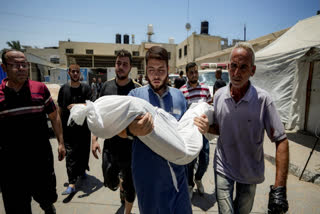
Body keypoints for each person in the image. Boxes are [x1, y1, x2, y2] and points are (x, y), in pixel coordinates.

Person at [205, 42, 289, 214]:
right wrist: (204, 125)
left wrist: (280, 187)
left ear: (253, 70)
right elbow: (221, 128)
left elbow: (281, 140)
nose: (236, 73)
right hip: (223, 167)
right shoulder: (219, 95)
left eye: (243, 67)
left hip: (250, 172)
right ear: (228, 67)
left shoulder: (263, 100)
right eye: (233, 66)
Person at [123, 46, 208, 213]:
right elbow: (119, 129)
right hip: (148, 180)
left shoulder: (179, 97)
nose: (156, 75)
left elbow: (187, 130)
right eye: (151, 69)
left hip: (178, 178)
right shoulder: (134, 96)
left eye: (161, 70)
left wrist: (201, 127)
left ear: (168, 70)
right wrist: (133, 129)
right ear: (145, 70)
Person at [0, 50, 66, 214]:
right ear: (4, 67)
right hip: (10, 166)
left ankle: (47, 206)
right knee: (17, 207)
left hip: (40, 161)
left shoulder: (40, 89)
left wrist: (61, 143)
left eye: (24, 64)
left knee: (47, 196)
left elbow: (54, 116)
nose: (22, 68)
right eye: (16, 65)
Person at [91, 49, 140, 214]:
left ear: (130, 67)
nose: (121, 67)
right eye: (119, 63)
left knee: (130, 185)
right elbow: (97, 114)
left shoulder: (137, 90)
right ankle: (120, 184)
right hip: (110, 146)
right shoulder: (106, 86)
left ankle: (127, 210)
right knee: (110, 180)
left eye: (125, 64)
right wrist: (94, 139)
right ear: (115, 65)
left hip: (131, 148)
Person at [58, 64, 92, 195]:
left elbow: (91, 105)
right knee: (70, 155)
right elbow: (60, 109)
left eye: (77, 72)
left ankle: (83, 169)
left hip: (84, 129)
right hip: (68, 130)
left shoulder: (86, 88)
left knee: (83, 153)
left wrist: (77, 105)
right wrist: (59, 128)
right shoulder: (63, 89)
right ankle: (72, 183)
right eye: (73, 72)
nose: (76, 74)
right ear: (69, 73)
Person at [180, 62, 212, 199]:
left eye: (195, 72)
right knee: (189, 162)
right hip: (190, 133)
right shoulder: (181, 92)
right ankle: (189, 184)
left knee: (204, 160)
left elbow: (210, 107)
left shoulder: (205, 90)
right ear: (187, 74)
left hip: (203, 132)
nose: (194, 74)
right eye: (191, 72)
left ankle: (198, 178)